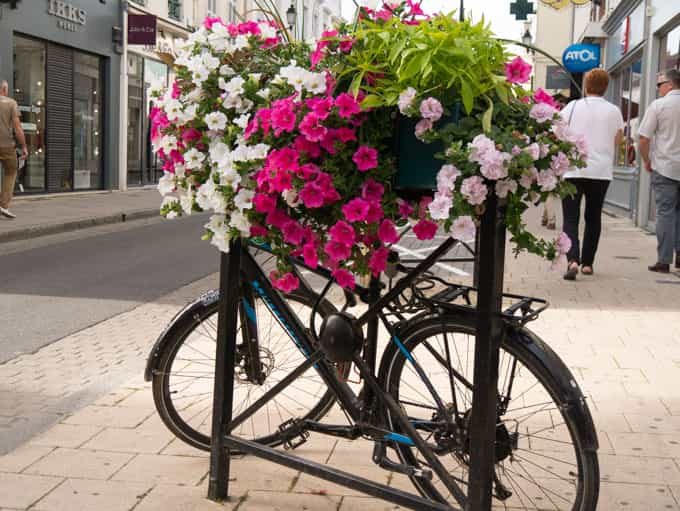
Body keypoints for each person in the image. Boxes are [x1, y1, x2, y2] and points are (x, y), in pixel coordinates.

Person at [559, 69, 624, 280]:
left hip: (573, 169)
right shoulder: (613, 111)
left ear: (586, 85)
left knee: (570, 217)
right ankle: (588, 263)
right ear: (606, 86)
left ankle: (572, 260)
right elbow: (618, 139)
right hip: (600, 171)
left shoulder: (572, 107)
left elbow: (557, 133)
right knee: (593, 217)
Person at [639, 69, 680, 273]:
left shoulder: (659, 106)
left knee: (665, 213)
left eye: (660, 85)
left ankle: (664, 261)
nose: (658, 89)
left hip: (665, 167)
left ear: (670, 85)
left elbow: (644, 138)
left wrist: (647, 160)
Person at [0, 79, 27, 219]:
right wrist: (24, 146)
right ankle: (3, 205)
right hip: (6, 145)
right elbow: (17, 128)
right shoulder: (11, 103)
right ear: (4, 90)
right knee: (11, 171)